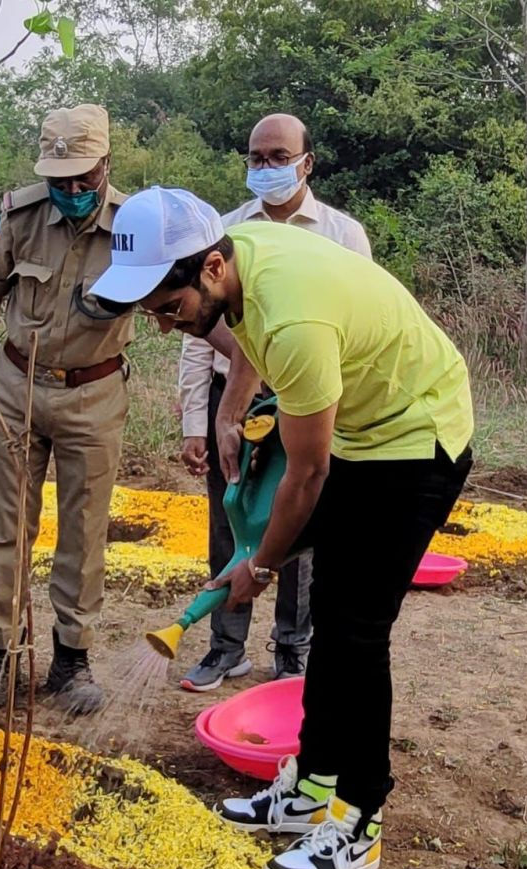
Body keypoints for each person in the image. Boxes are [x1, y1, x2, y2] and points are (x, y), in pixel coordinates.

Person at [91, 186, 473, 869]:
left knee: (358, 632)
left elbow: (308, 473)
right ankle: (311, 787)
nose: (167, 326)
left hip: (416, 440)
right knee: (333, 615)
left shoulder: (292, 316)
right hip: (364, 431)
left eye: (169, 308)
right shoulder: (242, 259)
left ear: (210, 267)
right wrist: (230, 413)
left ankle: (358, 821)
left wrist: (260, 566)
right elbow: (249, 341)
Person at [0, 104, 131, 716]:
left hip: (94, 394)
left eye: (85, 178)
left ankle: (71, 660)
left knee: (83, 529)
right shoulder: (21, 217)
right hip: (17, 388)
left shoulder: (134, 227)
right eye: (60, 180)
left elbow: (179, 304)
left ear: (106, 164)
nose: (73, 191)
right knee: (5, 525)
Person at [178, 113, 371, 690]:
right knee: (230, 518)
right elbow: (198, 331)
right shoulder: (224, 232)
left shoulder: (342, 235)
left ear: (306, 163)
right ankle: (225, 646)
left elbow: (358, 325)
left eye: (278, 158)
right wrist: (197, 421)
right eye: (256, 158)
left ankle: (293, 648)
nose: (266, 168)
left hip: (309, 398)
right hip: (234, 400)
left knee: (299, 517)